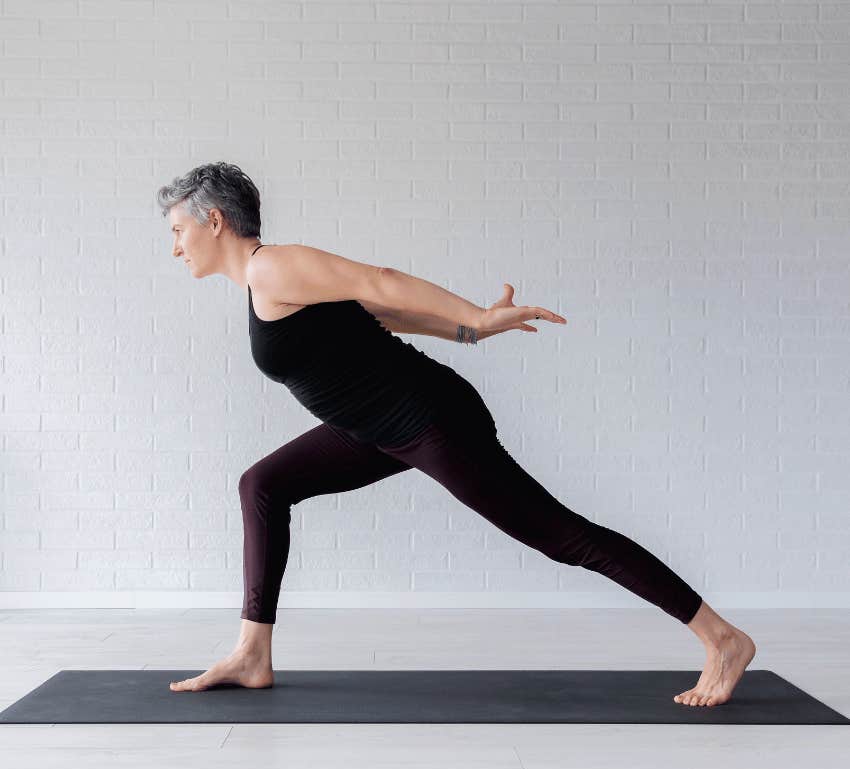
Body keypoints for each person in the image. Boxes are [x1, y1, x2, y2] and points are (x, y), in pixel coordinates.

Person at [157, 162, 756, 707]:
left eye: (179, 231)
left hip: (430, 419)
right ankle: (252, 652)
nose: (176, 247)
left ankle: (722, 638)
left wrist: (474, 314)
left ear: (214, 221)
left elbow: (381, 281)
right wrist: (471, 335)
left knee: (563, 537)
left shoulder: (272, 265)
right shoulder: (266, 285)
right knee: (263, 484)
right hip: (369, 428)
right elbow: (381, 316)